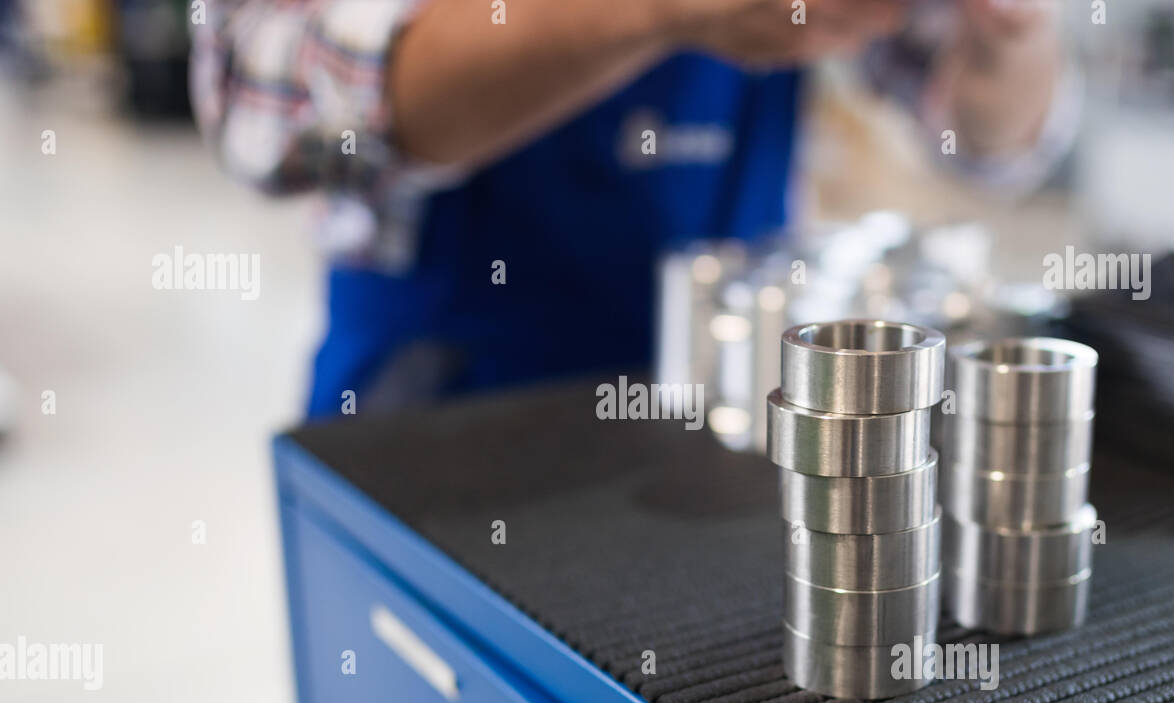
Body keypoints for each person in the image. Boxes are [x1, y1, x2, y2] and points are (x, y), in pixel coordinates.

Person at [191, 0, 1077, 417]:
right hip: (440, 394)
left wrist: (1015, 33)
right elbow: (265, 118)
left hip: (728, 396)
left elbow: (985, 137)